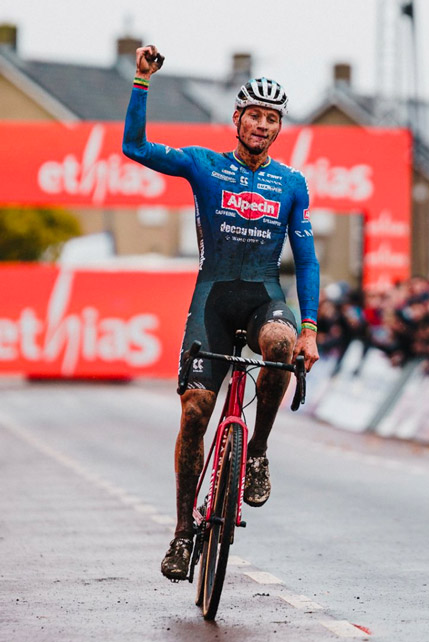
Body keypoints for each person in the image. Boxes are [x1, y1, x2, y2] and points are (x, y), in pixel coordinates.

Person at [123, 45, 320, 581]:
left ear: (279, 127)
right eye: (254, 115)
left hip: (262, 298)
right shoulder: (203, 165)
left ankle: (256, 450)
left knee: (280, 350)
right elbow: (134, 146)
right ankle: (184, 532)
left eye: (272, 118)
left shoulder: (291, 183)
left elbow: (306, 257)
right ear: (237, 119)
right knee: (193, 415)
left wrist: (309, 329)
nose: (262, 125)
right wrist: (142, 80)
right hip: (211, 299)